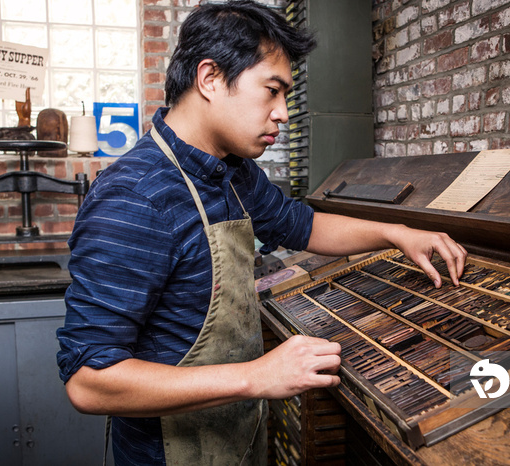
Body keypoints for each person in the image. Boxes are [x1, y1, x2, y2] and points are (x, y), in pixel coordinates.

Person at [56, 1, 468, 465]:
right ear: (210, 79)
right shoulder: (135, 197)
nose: (283, 114)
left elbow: (302, 224)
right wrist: (257, 376)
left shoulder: (233, 172)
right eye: (272, 91)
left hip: (236, 441)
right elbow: (90, 381)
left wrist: (398, 233)